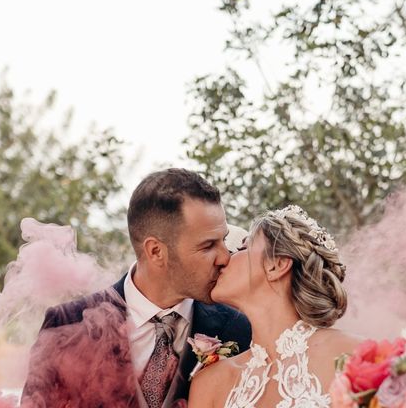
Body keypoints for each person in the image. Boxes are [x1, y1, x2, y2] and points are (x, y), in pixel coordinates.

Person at [21, 168, 252, 408]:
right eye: (208, 246)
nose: (225, 257)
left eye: (223, 240)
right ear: (155, 251)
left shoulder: (238, 329)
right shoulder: (67, 322)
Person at [188, 205, 360, 408]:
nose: (225, 259)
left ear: (276, 265)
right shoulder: (208, 384)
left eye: (243, 248)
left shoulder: (351, 356)